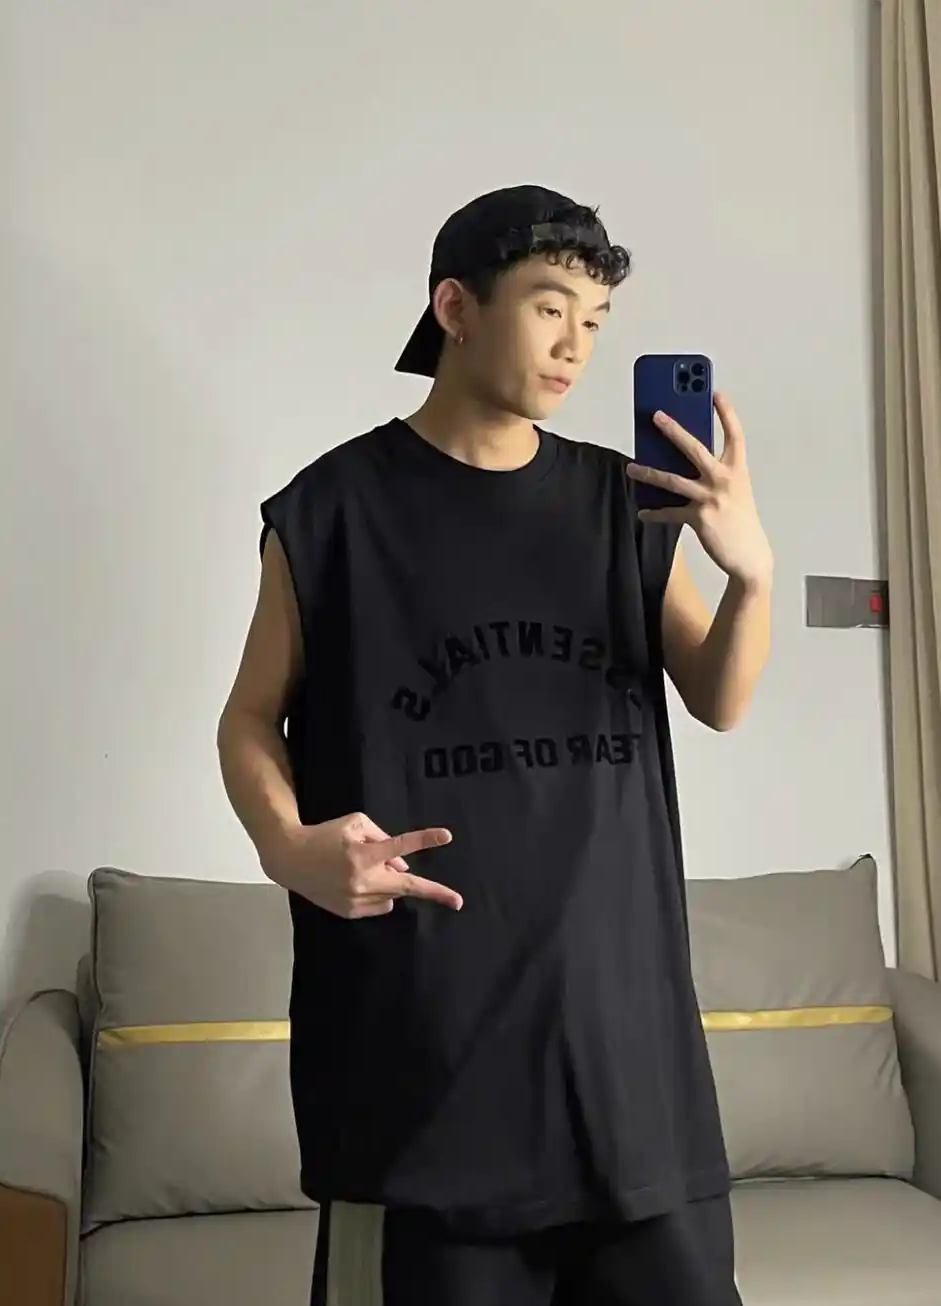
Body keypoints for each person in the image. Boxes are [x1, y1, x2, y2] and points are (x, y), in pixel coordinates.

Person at [217, 185, 772, 1306]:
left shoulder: (622, 503)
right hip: (422, 1072)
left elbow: (718, 696)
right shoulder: (332, 513)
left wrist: (750, 573)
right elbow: (248, 718)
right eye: (549, 307)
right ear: (456, 309)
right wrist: (289, 845)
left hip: (627, 1069)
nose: (575, 346)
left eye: (595, 321)